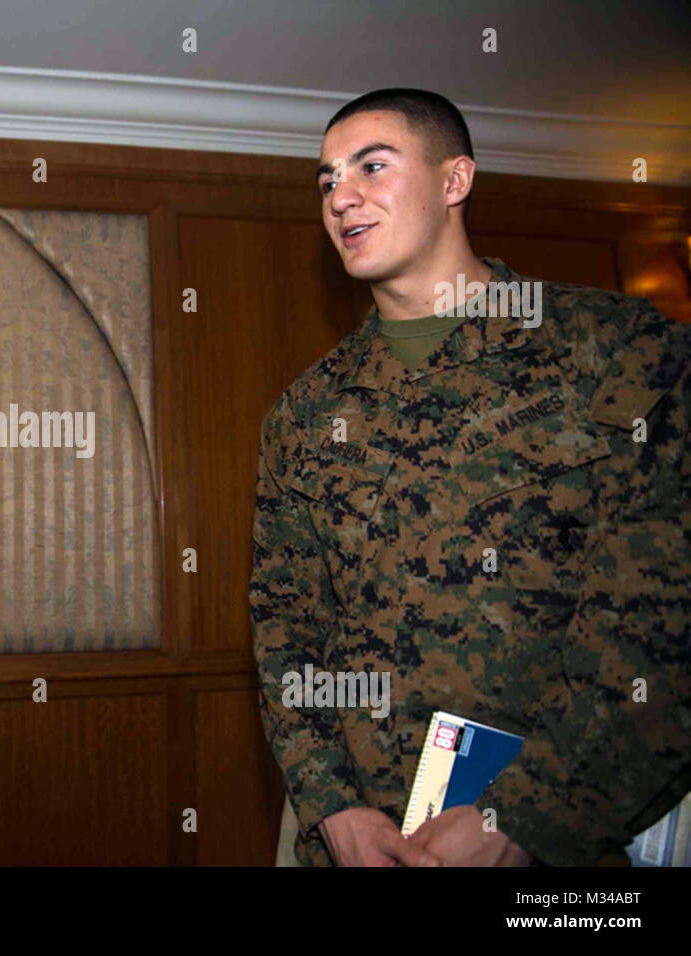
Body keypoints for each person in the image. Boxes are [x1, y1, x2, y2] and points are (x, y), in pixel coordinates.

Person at [250, 88, 690, 867]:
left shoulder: (618, 352)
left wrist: (522, 816)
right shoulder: (307, 409)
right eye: (326, 181)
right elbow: (287, 630)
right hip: (357, 841)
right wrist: (333, 807)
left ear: (455, 181)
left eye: (371, 167)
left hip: (563, 840)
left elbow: (659, 622)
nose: (340, 196)